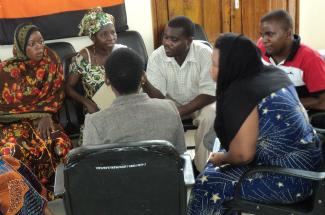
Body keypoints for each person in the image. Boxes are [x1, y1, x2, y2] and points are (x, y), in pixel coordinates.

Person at [187, 33, 322, 214]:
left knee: (207, 184)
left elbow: (243, 155)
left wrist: (222, 158)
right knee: (215, 167)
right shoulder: (273, 74)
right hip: (312, 163)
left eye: (216, 65)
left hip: (292, 179)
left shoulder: (243, 91)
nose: (210, 71)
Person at [0, 23, 72, 198]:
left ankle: (60, 192)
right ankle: (24, 198)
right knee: (12, 151)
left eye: (41, 41)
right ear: (21, 48)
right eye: (33, 44)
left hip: (45, 119)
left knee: (60, 145)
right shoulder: (5, 71)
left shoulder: (51, 60)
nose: (40, 47)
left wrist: (46, 114)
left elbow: (57, 95)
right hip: (12, 123)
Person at [142, 16, 216, 171]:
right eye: (165, 37)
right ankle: (169, 170)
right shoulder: (157, 56)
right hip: (168, 104)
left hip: (200, 103)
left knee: (211, 114)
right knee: (154, 114)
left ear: (189, 41)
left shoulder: (204, 53)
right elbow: (157, 98)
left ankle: (202, 169)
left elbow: (210, 92)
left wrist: (181, 111)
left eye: (173, 39)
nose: (166, 43)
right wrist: (146, 84)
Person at [83, 48, 186, 154]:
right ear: (143, 77)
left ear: (106, 80)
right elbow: (181, 154)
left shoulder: (95, 122)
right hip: (164, 170)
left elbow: (90, 166)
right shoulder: (170, 109)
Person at [257, 9, 325, 114]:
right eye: (262, 35)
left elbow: (322, 102)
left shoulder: (311, 59)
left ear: (288, 34)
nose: (264, 40)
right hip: (269, 111)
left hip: (301, 115)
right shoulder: (261, 47)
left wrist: (283, 104)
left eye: (270, 34)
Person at [65, 7, 126, 114]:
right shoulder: (83, 57)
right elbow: (68, 87)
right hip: (96, 111)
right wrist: (86, 103)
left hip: (123, 107)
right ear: (93, 38)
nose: (111, 37)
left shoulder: (122, 52)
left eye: (113, 32)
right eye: (104, 34)